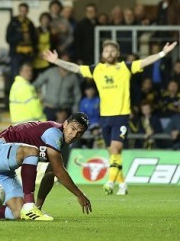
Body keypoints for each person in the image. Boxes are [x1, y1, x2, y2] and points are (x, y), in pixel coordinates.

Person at [42, 40, 178, 195]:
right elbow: (76, 68)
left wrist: (163, 53)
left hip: (121, 116)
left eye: (113, 51)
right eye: (106, 51)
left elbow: (145, 62)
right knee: (113, 154)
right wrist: (57, 61)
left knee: (115, 149)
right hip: (105, 118)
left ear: (118, 53)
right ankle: (122, 184)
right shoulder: (97, 69)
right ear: (102, 54)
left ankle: (110, 182)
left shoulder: (125, 67)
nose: (109, 53)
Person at [0, 113, 92, 220]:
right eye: (72, 128)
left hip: (3, 170)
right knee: (31, 151)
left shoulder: (61, 145)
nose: (74, 135)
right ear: (65, 124)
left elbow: (51, 174)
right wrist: (80, 195)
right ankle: (29, 204)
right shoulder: (54, 133)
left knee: (16, 213)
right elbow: (60, 171)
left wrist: (38, 208)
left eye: (79, 133)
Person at [6, 2, 38, 77]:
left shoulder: (30, 23)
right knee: (16, 74)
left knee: (27, 74)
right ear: (19, 11)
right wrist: (21, 36)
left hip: (28, 54)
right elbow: (8, 39)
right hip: (16, 54)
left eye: (25, 10)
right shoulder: (13, 22)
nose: (23, 12)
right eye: (21, 10)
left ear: (27, 11)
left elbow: (34, 39)